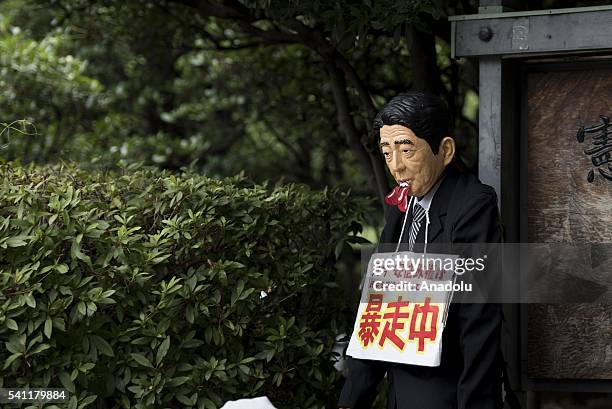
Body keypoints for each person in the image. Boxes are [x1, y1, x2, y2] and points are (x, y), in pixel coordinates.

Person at [338, 91, 503, 409]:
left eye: (406, 150)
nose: (396, 167)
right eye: (387, 153)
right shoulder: (401, 205)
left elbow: (479, 317)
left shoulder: (473, 204)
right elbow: (378, 305)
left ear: (445, 149)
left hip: (446, 394)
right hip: (398, 391)